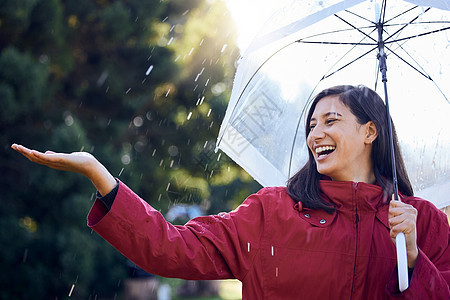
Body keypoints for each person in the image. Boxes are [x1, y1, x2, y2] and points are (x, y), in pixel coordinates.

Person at [12, 85, 449, 299]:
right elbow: (172, 248)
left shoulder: (422, 221)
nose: (316, 134)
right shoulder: (273, 212)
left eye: (331, 121)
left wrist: (412, 258)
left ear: (370, 130)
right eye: (312, 125)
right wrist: (102, 179)